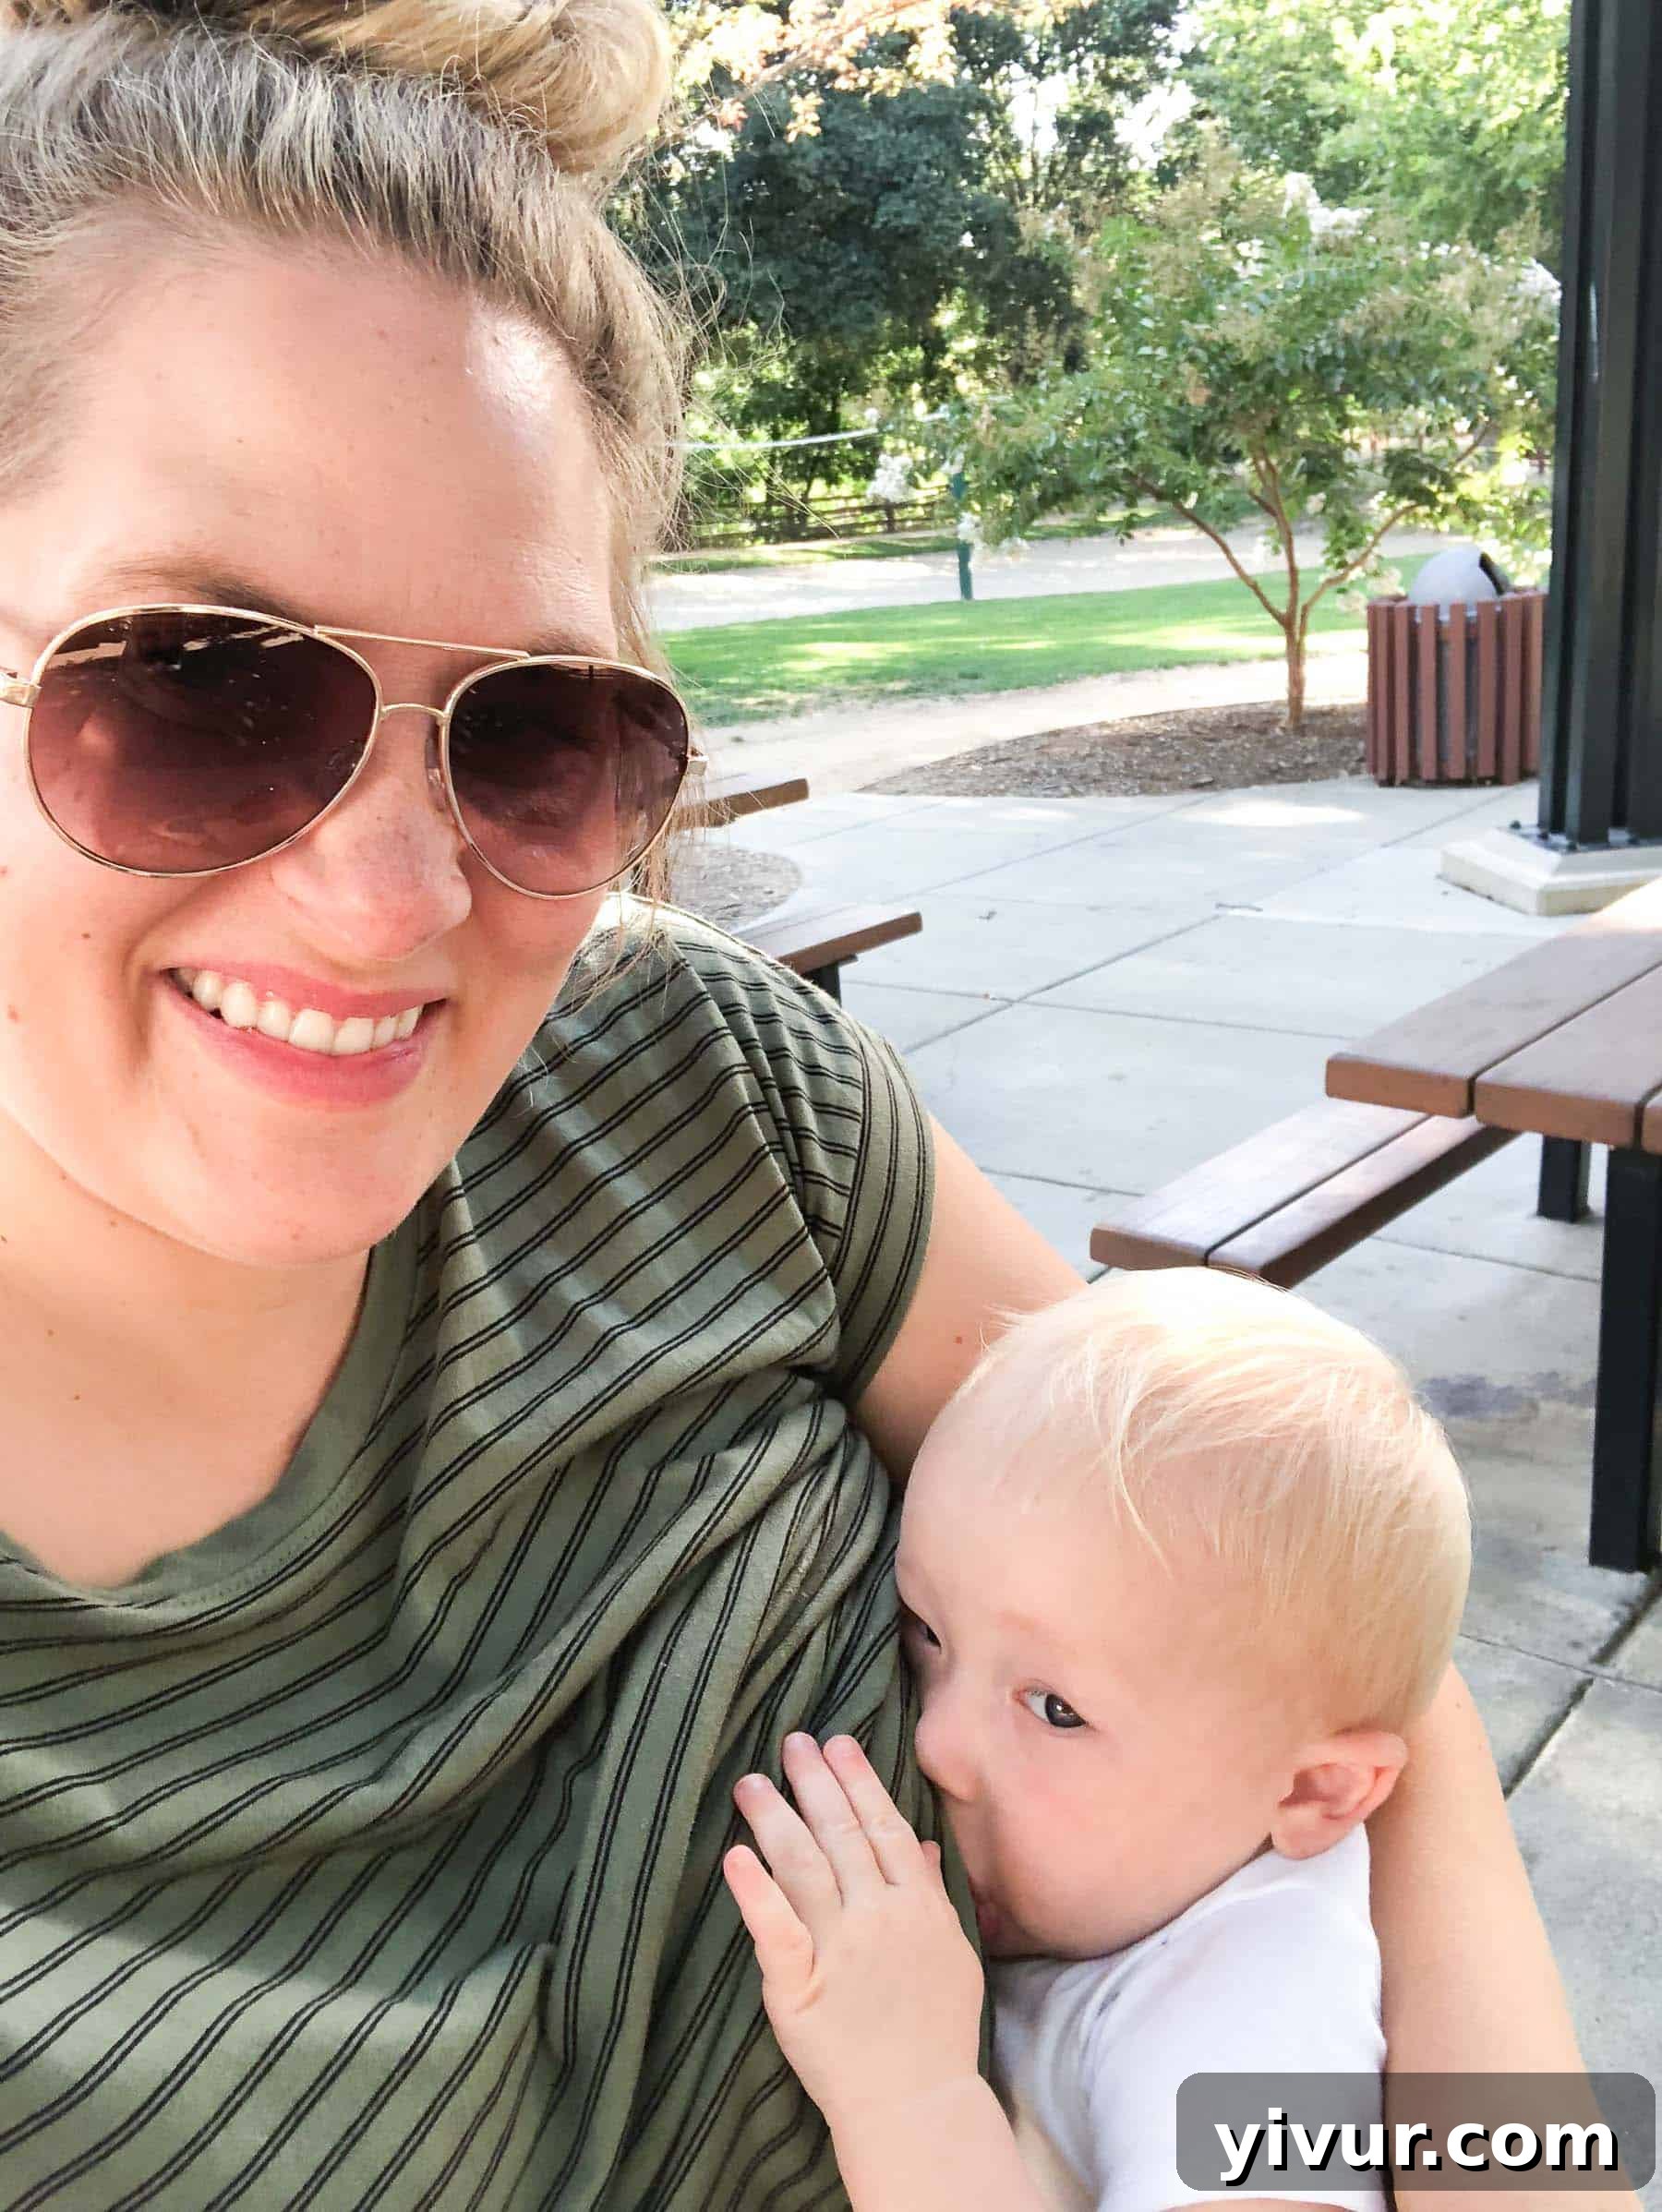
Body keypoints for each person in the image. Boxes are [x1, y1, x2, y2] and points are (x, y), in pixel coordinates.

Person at [0, 1, 1604, 2205]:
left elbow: (1318, 1610)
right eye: (195, 687)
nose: (391, 899)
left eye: (535, 728)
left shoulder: (702, 1089)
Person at [725, 1271, 1475, 2211]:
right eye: (928, 1629)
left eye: (1057, 1708)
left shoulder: (1255, 2004)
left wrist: (910, 2094)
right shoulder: (1148, 1867)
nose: (936, 1742)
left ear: (1315, 1792)